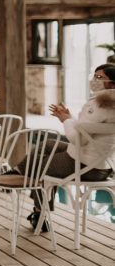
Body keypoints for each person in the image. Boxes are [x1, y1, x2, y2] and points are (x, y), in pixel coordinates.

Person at [18, 63, 115, 232]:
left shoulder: (100, 104)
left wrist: (65, 121)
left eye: (100, 78)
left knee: (37, 167)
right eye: (94, 76)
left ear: (112, 83)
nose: (94, 80)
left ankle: (38, 211)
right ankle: (19, 171)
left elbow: (77, 139)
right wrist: (70, 118)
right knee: (47, 145)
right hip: (104, 166)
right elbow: (89, 131)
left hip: (84, 166)